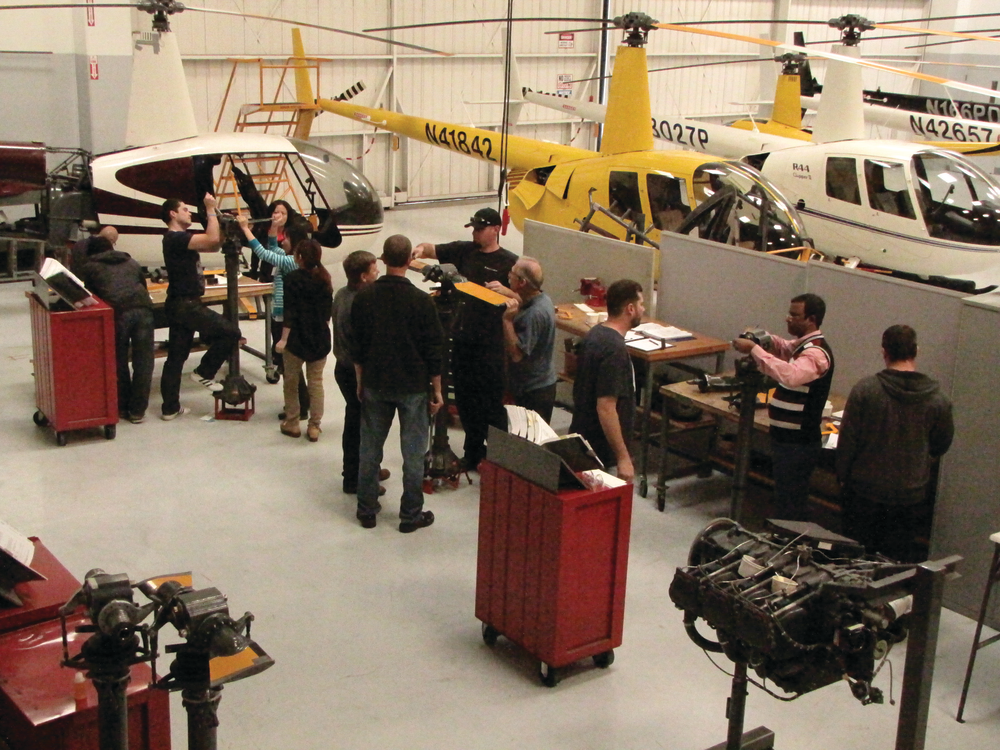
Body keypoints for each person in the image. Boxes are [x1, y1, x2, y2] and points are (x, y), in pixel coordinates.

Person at [837, 325, 954, 562]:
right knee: (894, 564)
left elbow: (847, 442)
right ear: (916, 350)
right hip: (909, 496)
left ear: (884, 352)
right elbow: (941, 445)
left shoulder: (865, 391)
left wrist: (842, 478)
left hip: (864, 492)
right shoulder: (938, 400)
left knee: (854, 560)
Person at [351, 235, 444, 532]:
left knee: (369, 450)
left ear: (383, 259)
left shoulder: (364, 298)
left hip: (375, 382)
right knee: (413, 454)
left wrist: (360, 381)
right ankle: (410, 515)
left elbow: (357, 347)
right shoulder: (421, 302)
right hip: (412, 387)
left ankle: (367, 510)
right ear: (409, 261)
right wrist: (437, 390)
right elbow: (433, 350)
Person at [413, 207, 518, 469]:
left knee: (491, 404)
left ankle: (498, 460)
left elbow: (527, 298)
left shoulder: (510, 263)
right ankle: (472, 455)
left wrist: (506, 292)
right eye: (473, 228)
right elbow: (432, 249)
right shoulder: (464, 251)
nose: (475, 233)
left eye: (480, 229)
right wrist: (419, 250)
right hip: (463, 340)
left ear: (496, 229)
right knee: (466, 401)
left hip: (491, 346)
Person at [732, 293, 834, 521]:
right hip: (786, 439)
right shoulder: (803, 346)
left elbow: (791, 375)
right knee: (784, 495)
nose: (788, 318)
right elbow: (785, 348)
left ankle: (788, 537)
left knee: (790, 501)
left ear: (811, 319)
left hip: (798, 443)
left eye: (794, 315)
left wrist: (754, 350)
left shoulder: (816, 353)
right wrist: (764, 339)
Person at [159, 194, 241, 420]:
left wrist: (226, 227)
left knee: (176, 358)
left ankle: (170, 408)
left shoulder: (181, 239)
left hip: (181, 304)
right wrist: (211, 209)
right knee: (231, 333)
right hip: (185, 305)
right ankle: (204, 372)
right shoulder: (175, 238)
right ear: (172, 214)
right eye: (184, 209)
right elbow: (211, 238)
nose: (189, 213)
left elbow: (214, 245)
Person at [238, 204, 309, 420]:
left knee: (290, 365)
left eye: (285, 238)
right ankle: (299, 404)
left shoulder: (290, 262)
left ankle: (299, 406)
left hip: (285, 318)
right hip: (280, 315)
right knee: (288, 364)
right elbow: (271, 247)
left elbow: (262, 253)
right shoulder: (289, 256)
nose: (282, 240)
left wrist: (245, 228)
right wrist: (273, 227)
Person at [569, 279, 644, 482]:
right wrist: (623, 457)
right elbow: (606, 407)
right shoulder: (615, 350)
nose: (643, 309)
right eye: (641, 304)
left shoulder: (595, 334)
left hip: (584, 442)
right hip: (602, 452)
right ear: (630, 309)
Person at [77, 235, 154, 424]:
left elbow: (90, 297)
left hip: (117, 314)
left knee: (119, 361)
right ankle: (138, 411)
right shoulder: (131, 261)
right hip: (143, 310)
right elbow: (143, 286)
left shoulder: (90, 267)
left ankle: (122, 406)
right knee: (144, 361)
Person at [333, 250, 390, 494]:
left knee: (356, 421)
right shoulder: (362, 304)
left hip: (342, 367)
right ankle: (356, 478)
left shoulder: (341, 294)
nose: (378, 271)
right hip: (355, 372)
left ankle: (366, 470)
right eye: (374, 269)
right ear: (364, 276)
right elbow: (363, 345)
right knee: (363, 427)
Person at [274, 239, 333, 442]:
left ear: (299, 257)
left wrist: (283, 340)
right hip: (319, 339)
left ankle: (292, 422)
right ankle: (314, 426)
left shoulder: (292, 279)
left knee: (291, 382)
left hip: (296, 340)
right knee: (316, 382)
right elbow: (327, 314)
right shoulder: (325, 278)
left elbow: (290, 312)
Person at [486, 256, 557, 423]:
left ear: (522, 282)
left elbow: (517, 355)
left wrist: (507, 321)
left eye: (512, 273)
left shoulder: (534, 314)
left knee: (529, 437)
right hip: (535, 384)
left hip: (533, 391)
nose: (508, 275)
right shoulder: (543, 299)